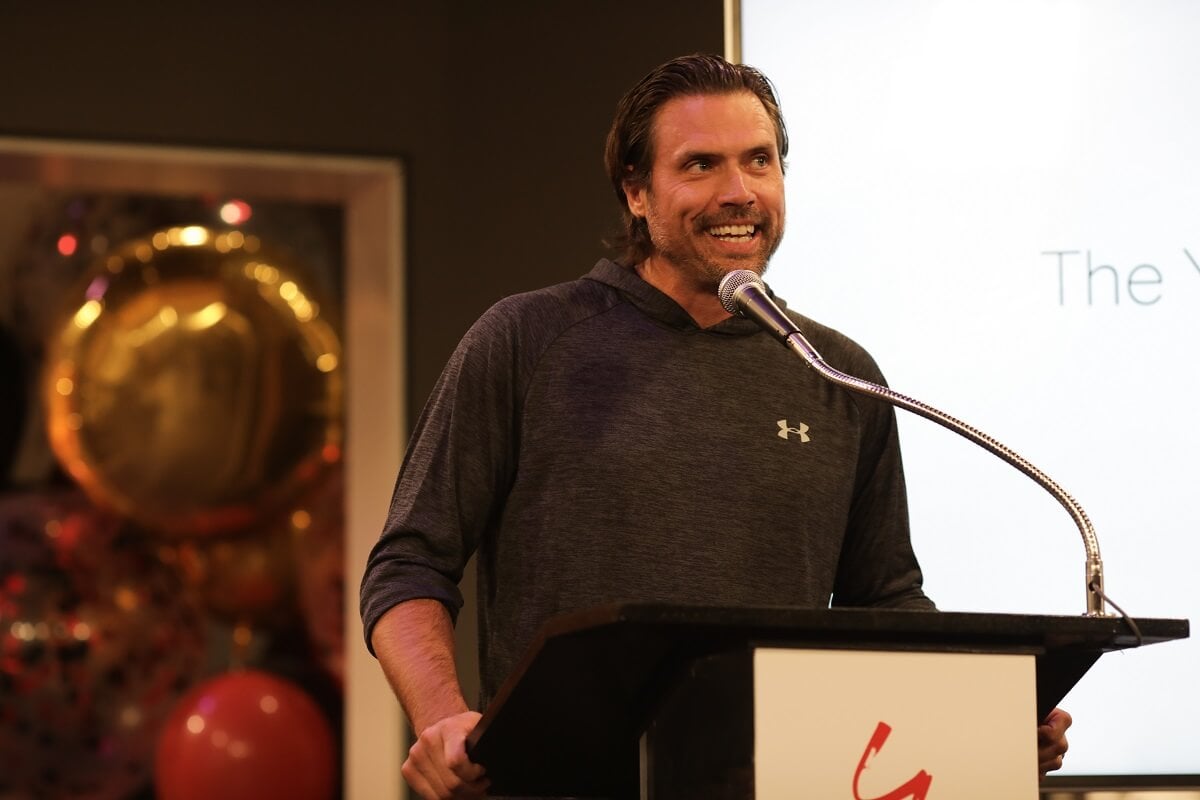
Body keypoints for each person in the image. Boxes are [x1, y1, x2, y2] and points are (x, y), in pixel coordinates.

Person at [360, 53, 1071, 800]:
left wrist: (981, 724)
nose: (739, 193)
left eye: (759, 161)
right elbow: (409, 564)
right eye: (700, 165)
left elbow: (886, 604)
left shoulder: (838, 370)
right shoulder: (527, 340)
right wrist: (442, 719)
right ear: (637, 192)